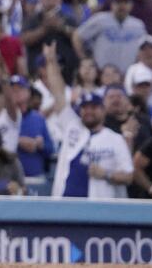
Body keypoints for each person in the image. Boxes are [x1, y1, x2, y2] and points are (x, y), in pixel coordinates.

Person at [45, 48, 133, 199]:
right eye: (85, 108)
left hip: (99, 211)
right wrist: (51, 61)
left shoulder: (115, 139)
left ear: (103, 110)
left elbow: (128, 175)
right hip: (64, 206)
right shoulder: (72, 126)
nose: (89, 112)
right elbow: (58, 93)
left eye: (94, 108)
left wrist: (106, 174)